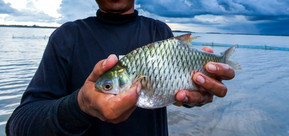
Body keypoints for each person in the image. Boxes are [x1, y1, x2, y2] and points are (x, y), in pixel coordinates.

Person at [6, 0, 235, 135]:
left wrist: (193, 95)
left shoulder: (159, 32)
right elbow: (17, 126)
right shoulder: (66, 37)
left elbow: (176, 92)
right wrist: (81, 105)